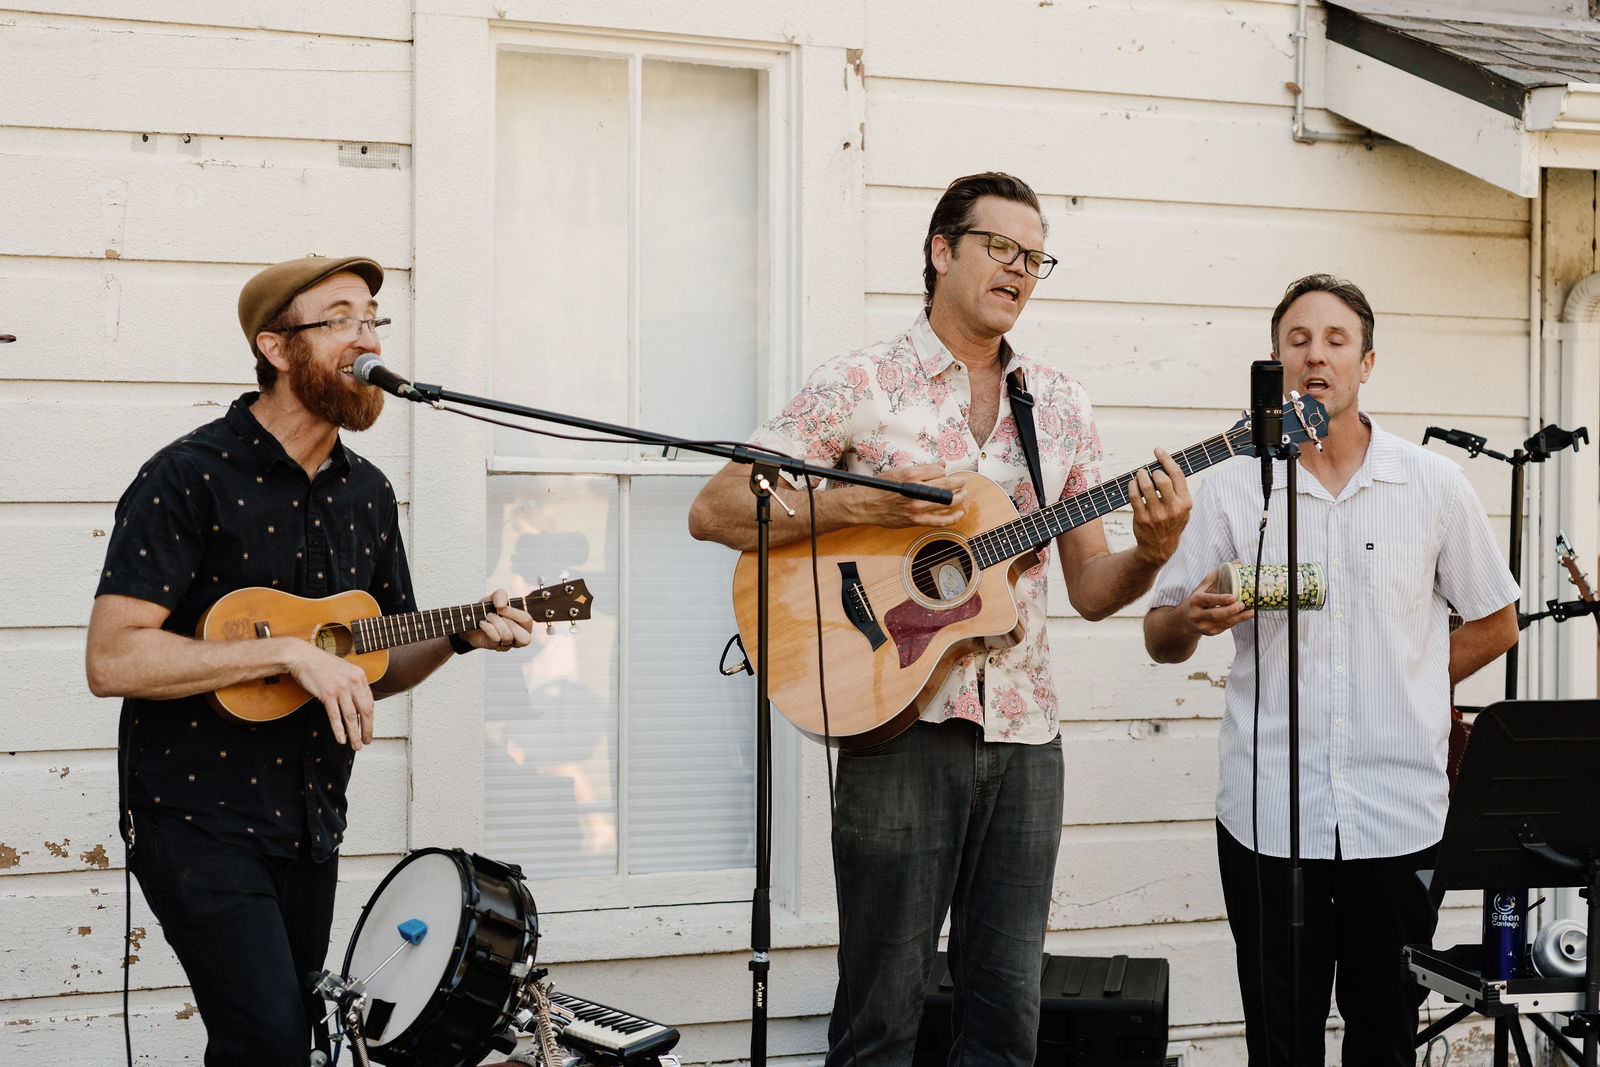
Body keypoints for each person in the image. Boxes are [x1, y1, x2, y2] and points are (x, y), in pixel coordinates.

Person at [687, 172, 1191, 1067]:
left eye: (1034, 257)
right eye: (1001, 247)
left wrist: (1152, 553)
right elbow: (719, 506)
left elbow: (1090, 585)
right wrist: (860, 507)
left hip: (1026, 739)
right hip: (899, 723)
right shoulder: (861, 383)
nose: (1020, 269)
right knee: (880, 1017)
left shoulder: (1060, 405)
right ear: (941, 250)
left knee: (1006, 1023)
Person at [84, 255, 535, 1066]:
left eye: (373, 320)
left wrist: (461, 634)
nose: (368, 338)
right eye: (341, 319)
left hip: (311, 820)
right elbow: (112, 659)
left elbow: (376, 661)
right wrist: (286, 650)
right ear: (277, 347)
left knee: (288, 1041)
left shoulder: (368, 494)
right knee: (268, 1041)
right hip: (196, 817)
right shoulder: (187, 476)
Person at [1142, 274, 1520, 1066]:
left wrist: (1415, 679)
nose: (1316, 355)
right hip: (1269, 820)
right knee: (1281, 1044)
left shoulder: (1432, 484)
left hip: (1400, 817)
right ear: (1275, 362)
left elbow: (1497, 621)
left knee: (1385, 1041)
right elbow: (1160, 634)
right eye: (1298, 340)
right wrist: (1190, 619)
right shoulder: (1235, 484)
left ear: (1366, 362)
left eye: (1336, 340)